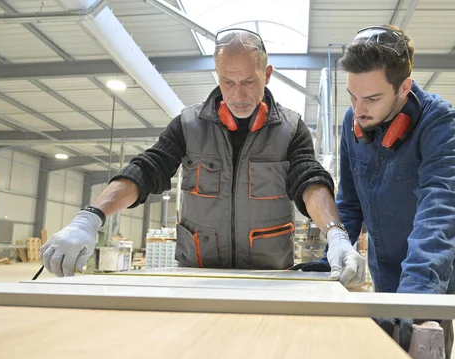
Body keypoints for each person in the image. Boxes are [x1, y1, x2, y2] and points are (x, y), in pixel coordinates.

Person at [40, 29, 365, 287]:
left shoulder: (291, 128)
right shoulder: (188, 124)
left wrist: (336, 236)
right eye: (228, 82)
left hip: (270, 281)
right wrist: (89, 219)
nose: (238, 94)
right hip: (196, 278)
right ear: (217, 75)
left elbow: (309, 180)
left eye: (249, 81)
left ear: (267, 74)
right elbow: (147, 168)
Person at [301, 25, 455, 359]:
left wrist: (416, 295)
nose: (358, 110)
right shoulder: (353, 123)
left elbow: (440, 207)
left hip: (430, 276)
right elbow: (348, 200)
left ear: (404, 88)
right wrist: (335, 249)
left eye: (372, 99)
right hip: (384, 273)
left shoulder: (437, 122)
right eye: (352, 97)